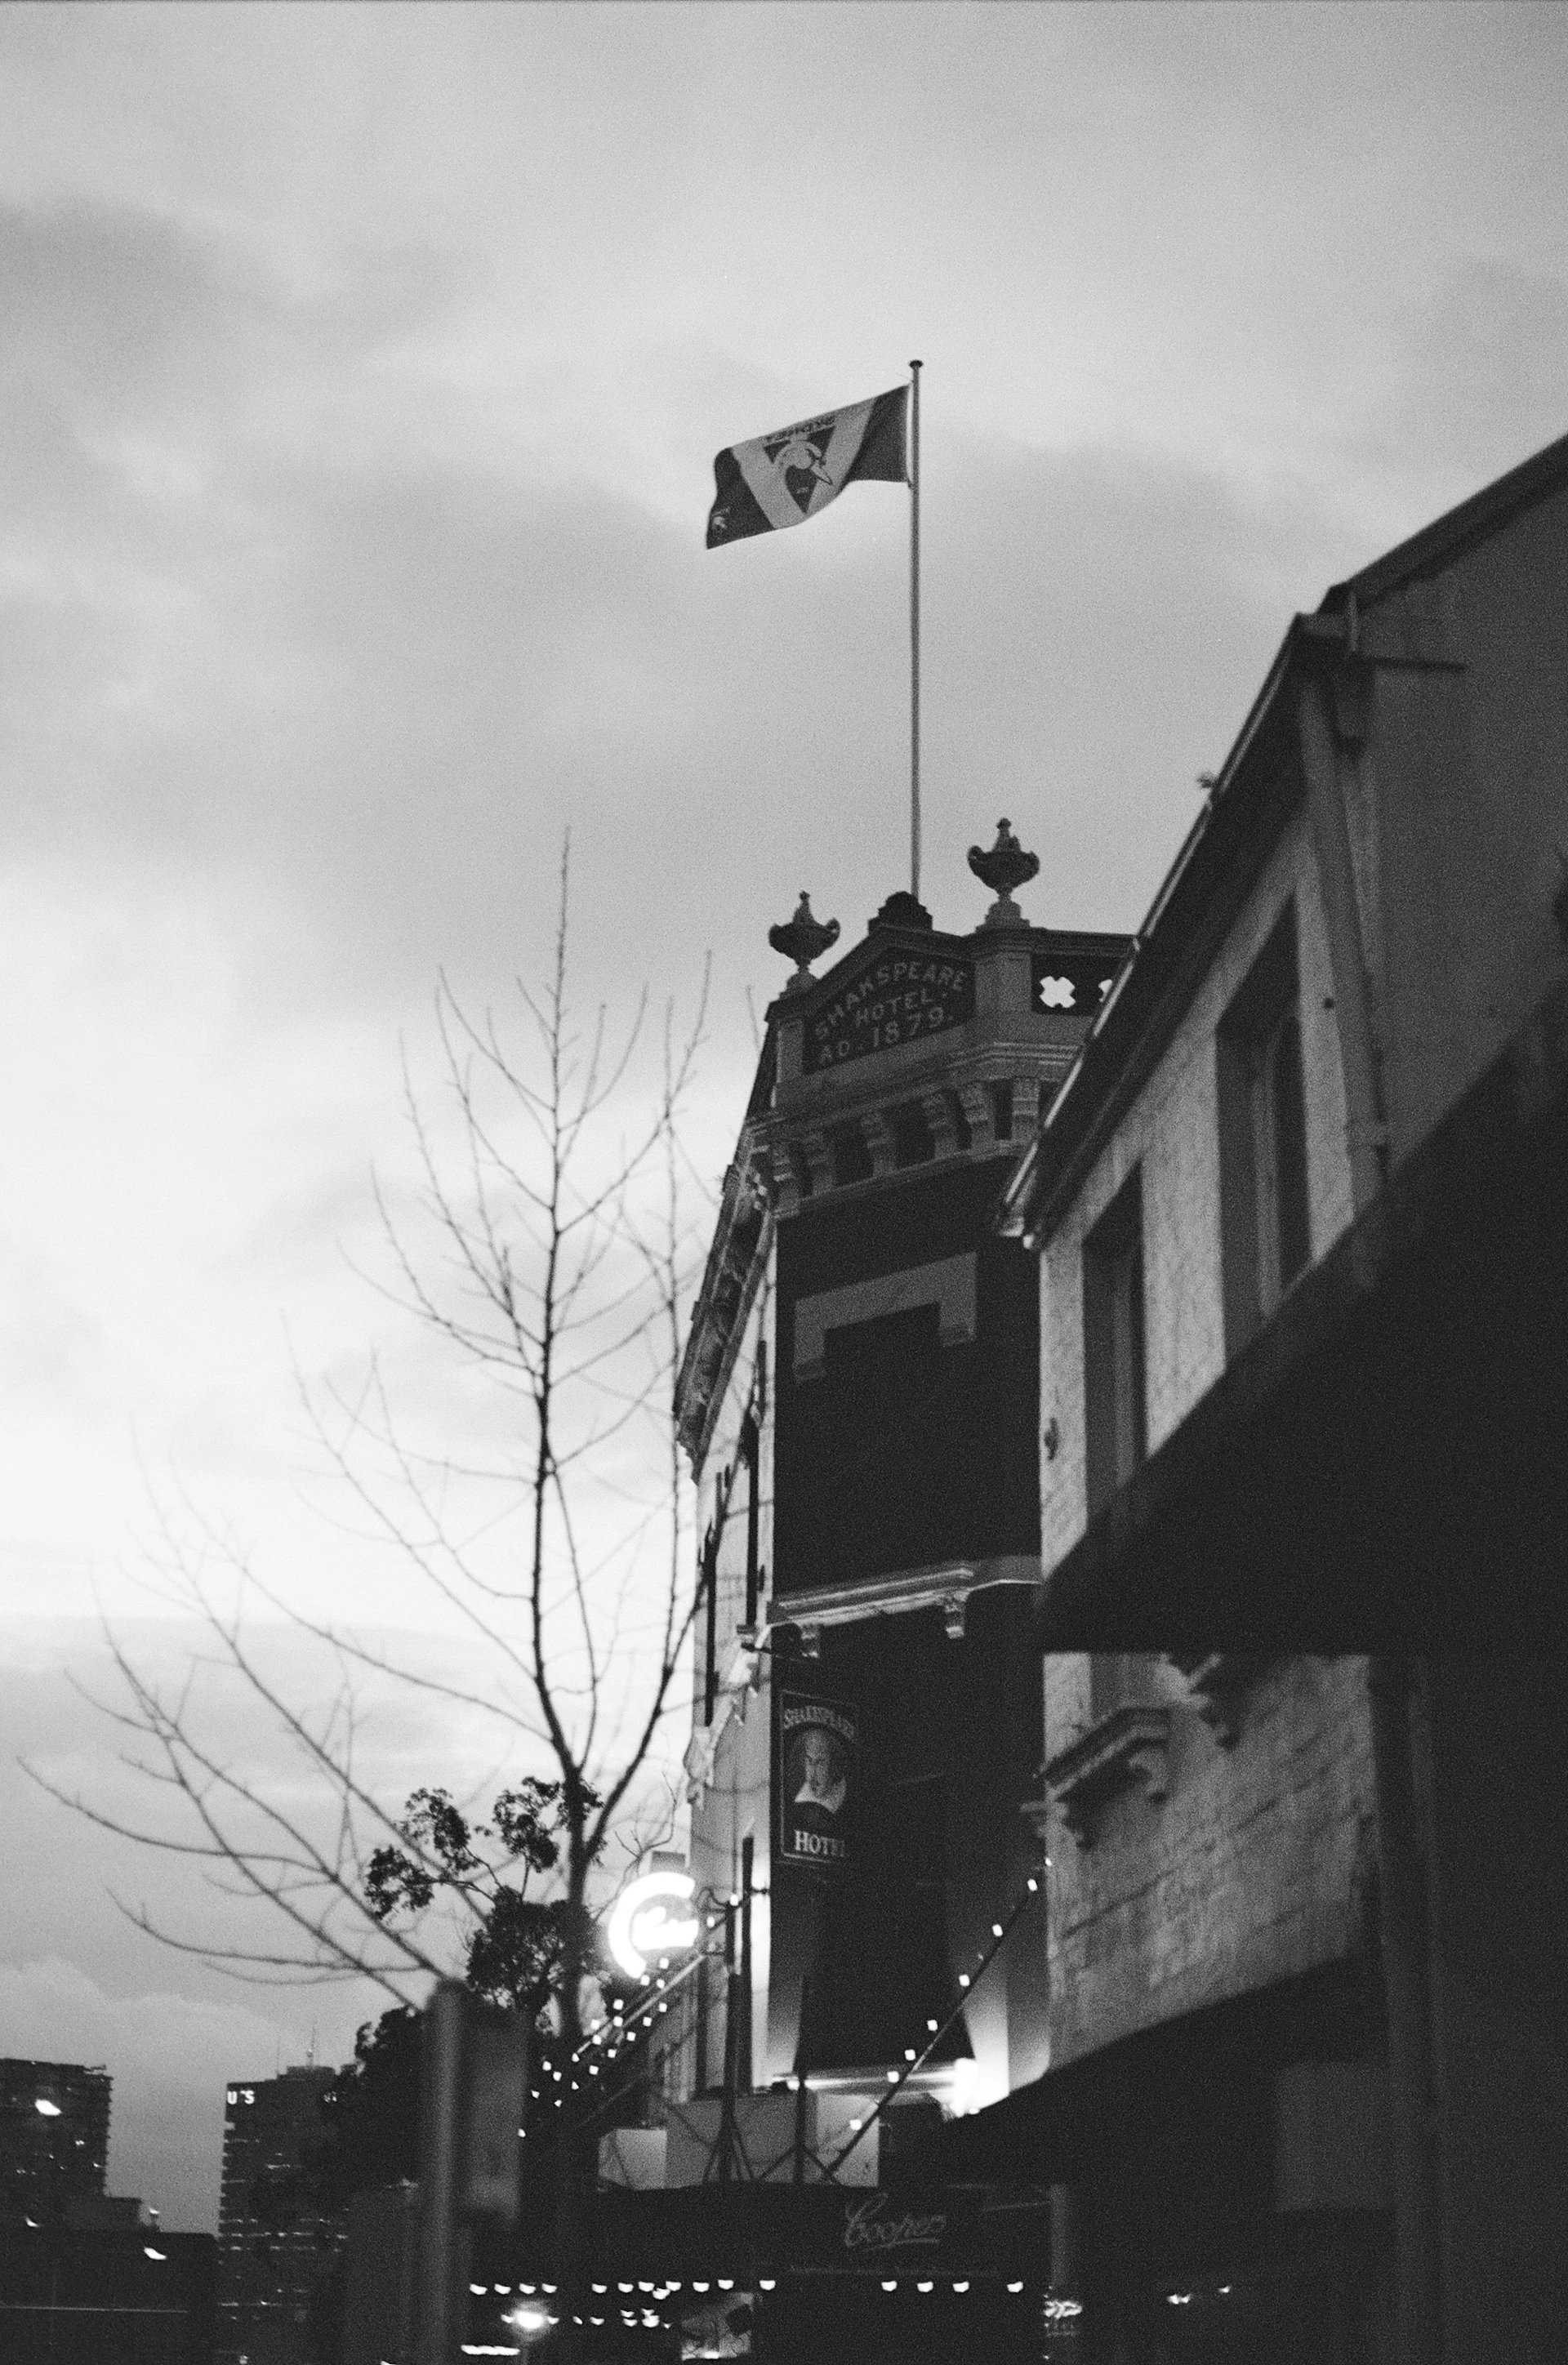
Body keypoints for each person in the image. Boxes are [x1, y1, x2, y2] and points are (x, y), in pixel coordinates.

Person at [793, 1726, 847, 1815]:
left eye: (820, 1762)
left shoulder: (842, 1793)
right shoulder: (802, 1798)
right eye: (809, 1760)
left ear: (832, 1763)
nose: (813, 1773)